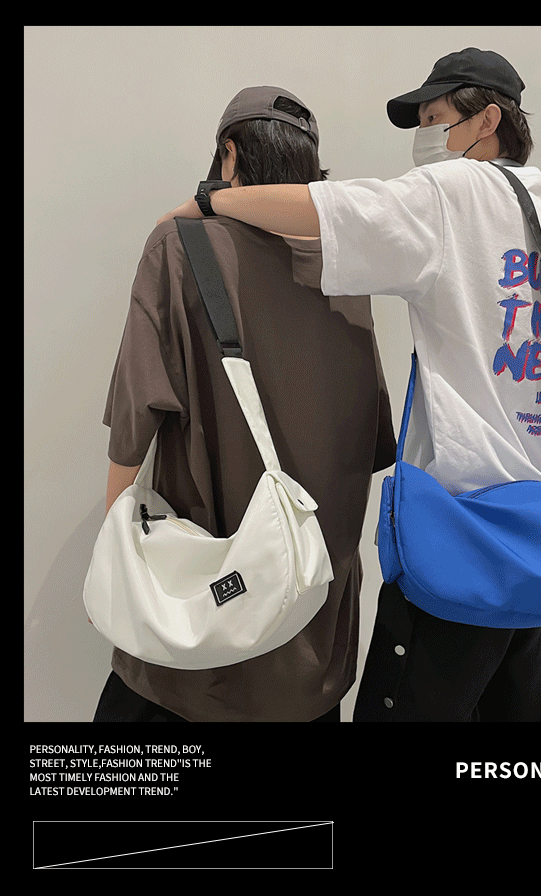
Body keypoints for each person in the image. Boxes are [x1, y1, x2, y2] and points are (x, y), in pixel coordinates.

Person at [159, 49, 541, 722]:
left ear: (488, 121)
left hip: (463, 542)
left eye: (435, 118)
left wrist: (212, 198)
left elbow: (331, 212)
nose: (424, 136)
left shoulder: (458, 193)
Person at [92, 86, 396, 722]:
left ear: (229, 155)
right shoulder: (347, 271)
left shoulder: (180, 247)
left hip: (201, 629)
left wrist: (116, 550)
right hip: (312, 640)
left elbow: (133, 421)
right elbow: (370, 443)